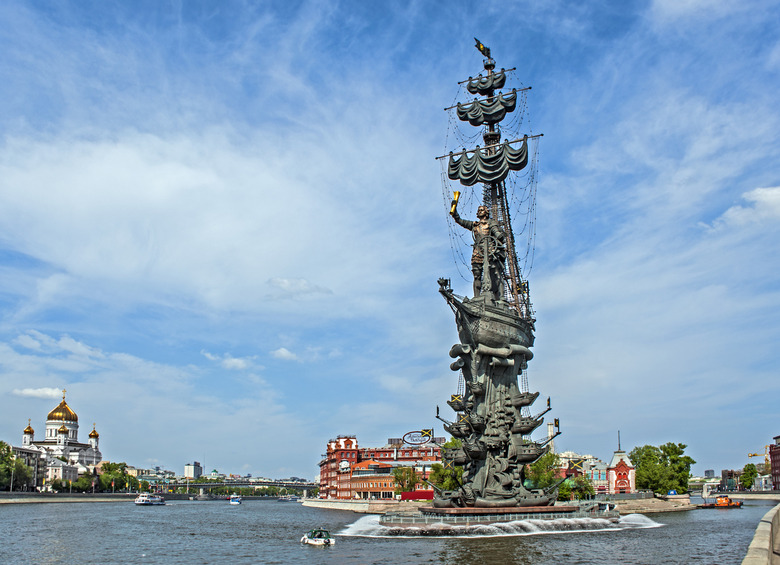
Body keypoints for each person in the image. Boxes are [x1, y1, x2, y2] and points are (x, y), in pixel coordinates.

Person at [450, 202, 507, 300]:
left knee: (496, 273)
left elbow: (496, 232)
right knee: (477, 274)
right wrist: (454, 212)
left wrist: (499, 235)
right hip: (478, 251)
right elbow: (460, 221)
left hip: (490, 250)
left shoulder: (491, 223)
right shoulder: (474, 225)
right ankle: (477, 297)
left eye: (481, 210)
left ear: (486, 212)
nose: (479, 212)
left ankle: (500, 297)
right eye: (478, 210)